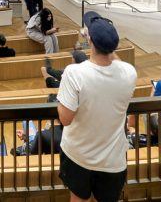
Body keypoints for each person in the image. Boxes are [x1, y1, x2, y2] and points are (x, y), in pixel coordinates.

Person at [57, 11, 136, 202]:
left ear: (89, 40)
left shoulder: (74, 73)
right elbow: (117, 63)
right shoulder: (129, 72)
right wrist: (103, 42)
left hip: (78, 155)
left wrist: (60, 100)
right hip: (113, 159)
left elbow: (65, 119)